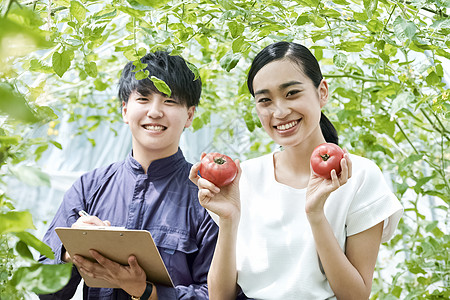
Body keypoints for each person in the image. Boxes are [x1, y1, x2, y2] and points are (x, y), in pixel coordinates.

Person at [189, 41, 403, 299]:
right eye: (265, 100)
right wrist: (228, 220)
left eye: (291, 93)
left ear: (321, 92)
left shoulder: (359, 176)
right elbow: (220, 296)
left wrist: (315, 215)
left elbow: (356, 296)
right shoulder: (243, 178)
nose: (279, 111)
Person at [39, 51, 219, 299]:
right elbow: (45, 291)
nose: (155, 112)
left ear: (189, 115)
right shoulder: (89, 187)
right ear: (125, 110)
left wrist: (145, 291)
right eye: (143, 99)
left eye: (169, 101)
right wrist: (70, 253)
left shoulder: (206, 196)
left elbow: (219, 292)